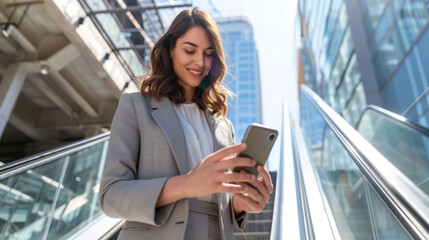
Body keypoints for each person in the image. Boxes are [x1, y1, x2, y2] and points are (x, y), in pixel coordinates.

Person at [98, 7, 274, 240]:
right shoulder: (136, 106)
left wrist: (241, 204)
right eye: (189, 50)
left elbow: (224, 208)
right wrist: (186, 185)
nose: (200, 62)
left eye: (208, 53)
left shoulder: (224, 127)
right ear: (170, 49)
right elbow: (110, 196)